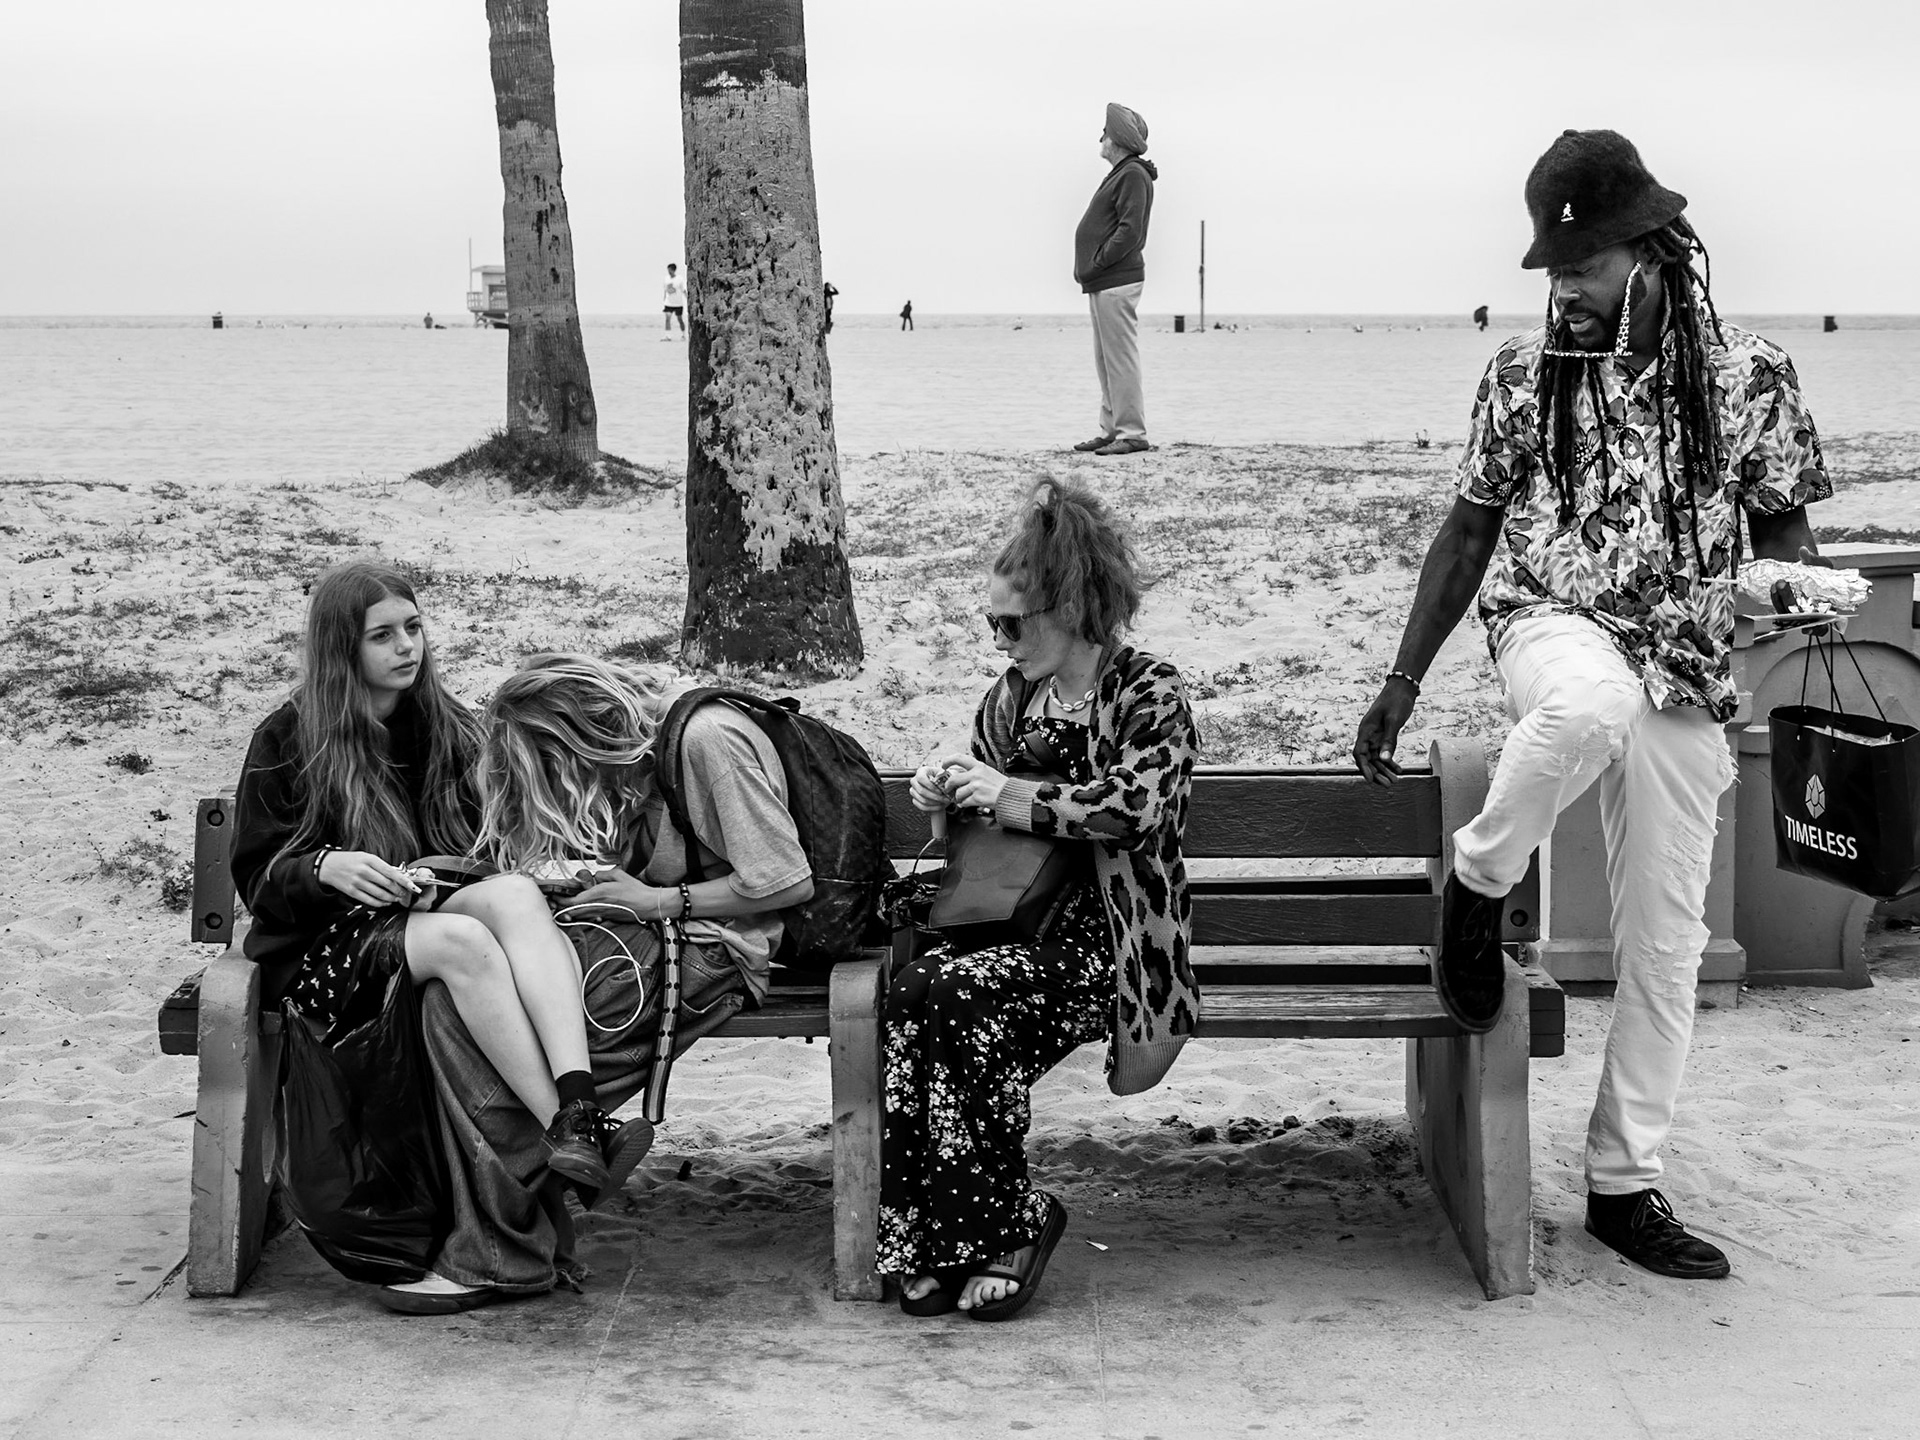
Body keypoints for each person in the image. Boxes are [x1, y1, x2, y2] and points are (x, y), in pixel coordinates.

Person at [1351, 129, 1834, 1282]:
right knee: (1587, 708)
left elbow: (1785, 539)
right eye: (1553, 270)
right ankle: (1478, 883)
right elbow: (1469, 529)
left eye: (1584, 265)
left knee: (1664, 942)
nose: (1563, 289)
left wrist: (1795, 595)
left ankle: (1625, 1183)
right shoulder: (1525, 376)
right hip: (1551, 623)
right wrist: (1402, 677)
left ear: (1652, 252)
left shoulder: (1749, 377)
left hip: (1688, 655)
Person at [230, 564, 647, 1312]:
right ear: (340, 649)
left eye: (414, 628)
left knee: (514, 896)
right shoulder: (291, 737)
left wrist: (436, 876)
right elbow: (257, 877)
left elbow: (485, 850)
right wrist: (327, 868)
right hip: (324, 956)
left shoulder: (446, 724)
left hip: (415, 921)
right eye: (382, 635)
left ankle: (581, 1116)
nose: (406, 648)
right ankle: (563, 1131)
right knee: (463, 945)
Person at [400, 654, 815, 1314]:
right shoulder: (645, 755)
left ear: (576, 747)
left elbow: (785, 881)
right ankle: (564, 1165)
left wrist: (658, 902)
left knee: (477, 1021)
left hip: (717, 953)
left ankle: (504, 1253)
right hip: (658, 935)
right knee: (461, 995)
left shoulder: (709, 739)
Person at [880, 477, 1200, 1321]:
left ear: (1072, 604)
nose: (999, 642)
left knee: (957, 997)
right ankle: (948, 1236)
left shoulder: (1148, 693)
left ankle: (1006, 1226)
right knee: (912, 995)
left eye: (1010, 624)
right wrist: (942, 784)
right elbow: (976, 779)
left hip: (1109, 949)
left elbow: (1133, 809)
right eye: (991, 624)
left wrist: (1007, 793)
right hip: (1007, 927)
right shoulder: (1016, 695)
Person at [1072, 103, 1157, 457]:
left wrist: (1098, 259)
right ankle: (1111, 429)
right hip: (1102, 280)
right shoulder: (1122, 173)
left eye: (1106, 132)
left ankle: (1132, 432)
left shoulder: (1132, 174)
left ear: (1118, 138)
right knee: (1105, 359)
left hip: (1115, 278)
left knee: (1119, 358)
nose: (1101, 137)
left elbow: (1130, 230)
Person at [662, 263, 686, 333]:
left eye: (670, 270)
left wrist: (687, 298)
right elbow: (665, 289)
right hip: (668, 303)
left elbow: (683, 290)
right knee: (667, 319)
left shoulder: (679, 279)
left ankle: (683, 334)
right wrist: (664, 299)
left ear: (673, 270)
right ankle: (668, 335)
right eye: (668, 270)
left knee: (679, 319)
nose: (669, 272)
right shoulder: (666, 278)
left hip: (678, 303)